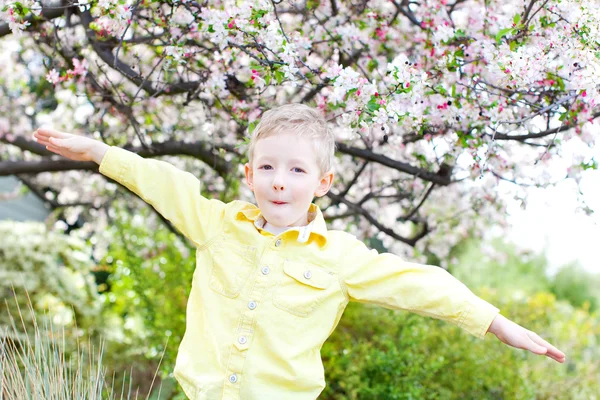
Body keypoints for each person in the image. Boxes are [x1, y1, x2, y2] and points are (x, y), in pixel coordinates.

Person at [33, 104, 565, 400]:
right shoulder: (218, 225)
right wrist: (99, 152)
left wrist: (496, 323)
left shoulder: (340, 257)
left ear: (323, 181)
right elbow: (164, 182)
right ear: (248, 175)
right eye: (266, 167)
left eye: (296, 170)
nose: (279, 181)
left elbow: (418, 283)